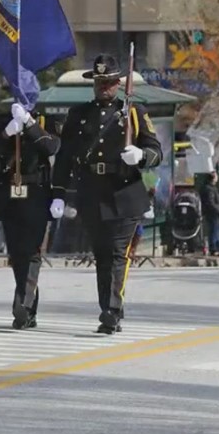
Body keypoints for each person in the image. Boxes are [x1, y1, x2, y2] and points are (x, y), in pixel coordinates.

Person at [50, 54, 164, 335]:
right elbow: (65, 157)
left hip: (124, 191)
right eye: (100, 82)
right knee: (101, 255)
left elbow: (156, 152)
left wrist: (140, 155)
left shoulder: (134, 112)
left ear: (118, 83)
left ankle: (110, 310)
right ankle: (111, 306)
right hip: (92, 191)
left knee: (117, 253)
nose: (104, 87)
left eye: (109, 82)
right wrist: (58, 193)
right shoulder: (78, 115)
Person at [0, 100, 61, 330]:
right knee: (17, 253)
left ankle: (24, 305)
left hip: (36, 194)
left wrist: (29, 123)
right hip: (9, 193)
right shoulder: (1, 120)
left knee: (32, 251)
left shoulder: (46, 119)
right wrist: (6, 133)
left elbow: (52, 147)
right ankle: (27, 304)